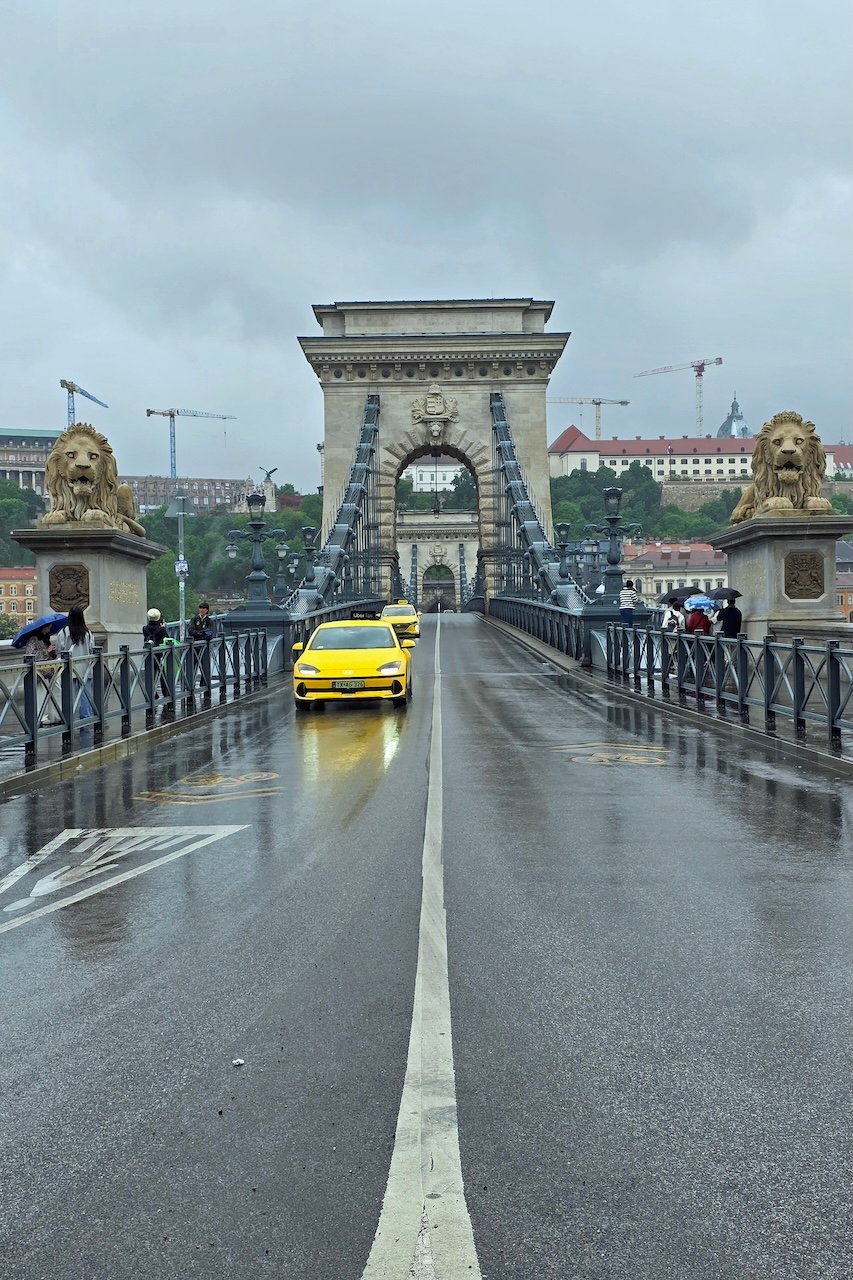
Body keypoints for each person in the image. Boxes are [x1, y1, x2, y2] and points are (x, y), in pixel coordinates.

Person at [54, 606, 95, 720]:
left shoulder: (64, 632)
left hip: (69, 669)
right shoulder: (88, 633)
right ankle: (85, 718)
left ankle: (68, 719)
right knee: (85, 695)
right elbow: (92, 650)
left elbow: (60, 649)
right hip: (85, 669)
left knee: (69, 696)